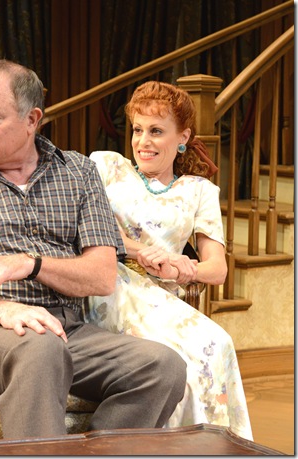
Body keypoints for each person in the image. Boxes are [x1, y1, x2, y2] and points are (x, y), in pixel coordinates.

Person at [0, 59, 187, 439]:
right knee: (40, 350)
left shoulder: (78, 173)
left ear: (32, 119)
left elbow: (101, 276)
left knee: (163, 366)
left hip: (69, 328)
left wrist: (30, 264)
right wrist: (3, 309)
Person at [86, 80, 253, 440]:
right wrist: (136, 250)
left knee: (217, 343)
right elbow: (85, 228)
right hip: (109, 284)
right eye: (137, 130)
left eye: (156, 131)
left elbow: (217, 268)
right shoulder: (108, 167)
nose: (143, 142)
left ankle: (208, 448)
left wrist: (181, 266)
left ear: (182, 137)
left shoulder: (198, 191)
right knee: (172, 355)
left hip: (164, 296)